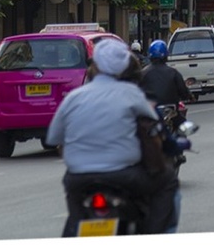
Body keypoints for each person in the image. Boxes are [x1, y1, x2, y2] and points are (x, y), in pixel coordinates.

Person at [46, 38, 179, 236]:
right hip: (125, 176)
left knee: (75, 215)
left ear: (95, 65)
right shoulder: (131, 94)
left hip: (78, 179)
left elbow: (54, 138)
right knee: (168, 180)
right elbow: (155, 127)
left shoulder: (74, 97)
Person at [140, 40, 191, 107]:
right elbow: (183, 92)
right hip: (169, 110)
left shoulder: (143, 73)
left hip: (151, 110)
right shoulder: (173, 73)